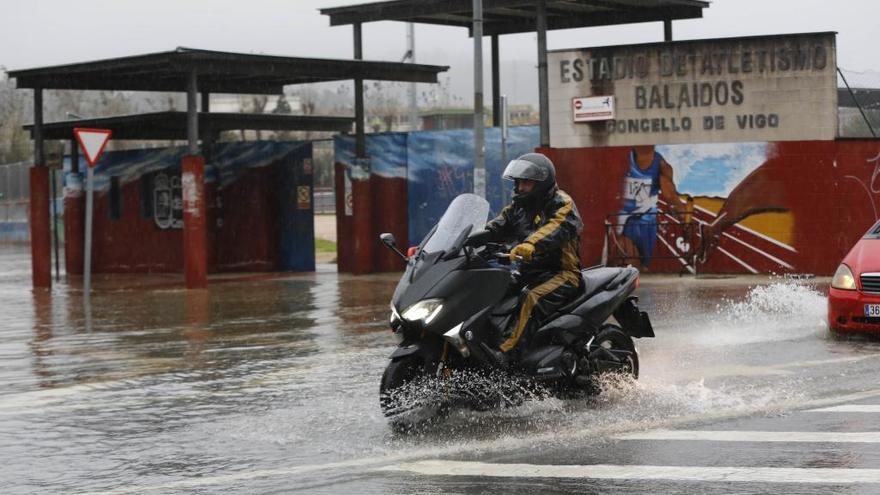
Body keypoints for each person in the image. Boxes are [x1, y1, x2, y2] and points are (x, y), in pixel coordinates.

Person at [484, 153, 584, 363]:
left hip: (562, 274)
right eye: (518, 182)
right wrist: (465, 241)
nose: (520, 188)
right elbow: (495, 227)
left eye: (526, 183)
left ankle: (507, 354)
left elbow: (557, 227)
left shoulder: (562, 203)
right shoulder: (518, 208)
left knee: (531, 298)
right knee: (490, 289)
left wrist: (531, 244)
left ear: (541, 183)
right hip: (527, 273)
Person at [613, 145, 692, 268]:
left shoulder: (661, 166)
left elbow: (671, 196)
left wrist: (685, 219)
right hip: (624, 224)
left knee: (639, 266)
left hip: (646, 224)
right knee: (627, 262)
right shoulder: (622, 158)